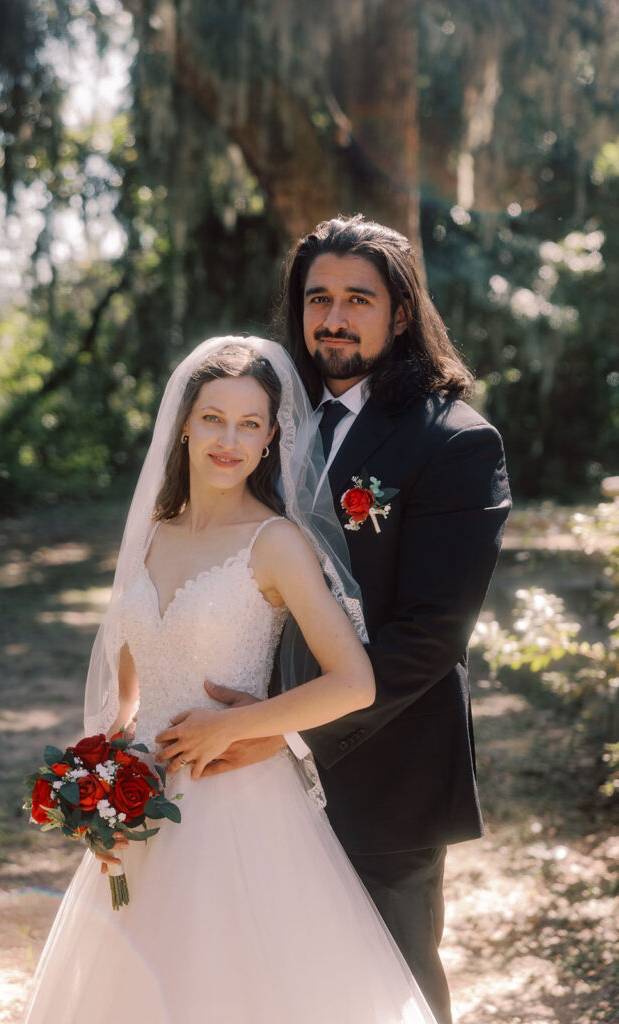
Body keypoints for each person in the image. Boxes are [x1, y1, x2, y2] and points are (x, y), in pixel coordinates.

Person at [23, 336, 438, 1024]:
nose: (229, 440)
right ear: (184, 422)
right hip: (147, 810)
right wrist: (97, 785)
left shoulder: (274, 542)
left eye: (250, 424)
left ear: (272, 437)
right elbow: (130, 695)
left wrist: (237, 724)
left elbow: (354, 684)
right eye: (214, 418)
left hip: (239, 808)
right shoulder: (152, 535)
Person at [190, 217, 511, 1024]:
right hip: (247, 761)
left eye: (357, 300)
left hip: (386, 770)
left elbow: (435, 633)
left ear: (400, 314)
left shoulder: (454, 442)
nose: (333, 317)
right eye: (318, 298)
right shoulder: (263, 423)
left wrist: (289, 730)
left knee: (389, 981)